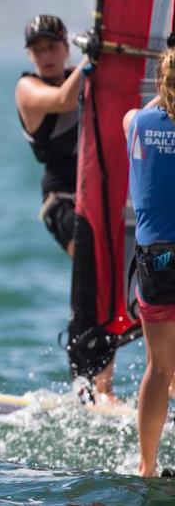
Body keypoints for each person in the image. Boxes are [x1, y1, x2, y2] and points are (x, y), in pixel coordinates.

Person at [14, 15, 117, 398]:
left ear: (65, 47)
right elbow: (62, 100)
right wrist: (91, 63)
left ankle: (110, 385)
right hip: (63, 205)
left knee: (117, 286)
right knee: (95, 280)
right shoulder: (28, 88)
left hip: (102, 199)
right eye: (37, 49)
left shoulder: (83, 74)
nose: (46, 55)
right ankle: (91, 385)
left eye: (52, 47)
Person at [124, 49, 175, 478]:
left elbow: (134, 115)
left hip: (155, 258)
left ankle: (147, 464)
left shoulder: (138, 123)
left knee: (159, 369)